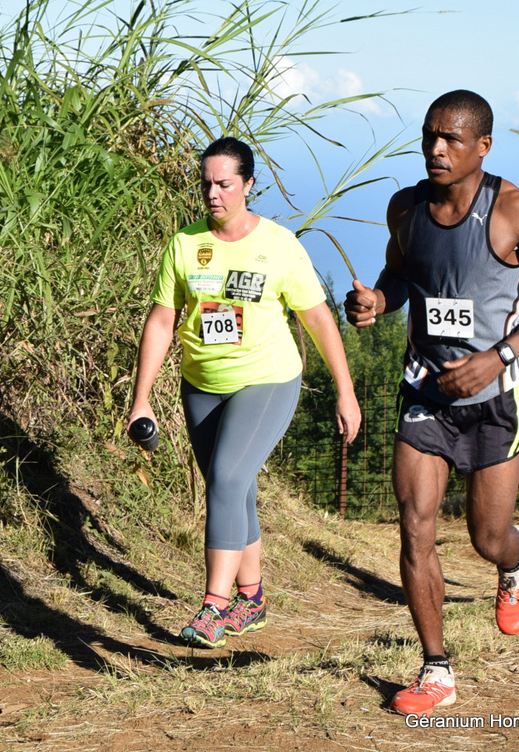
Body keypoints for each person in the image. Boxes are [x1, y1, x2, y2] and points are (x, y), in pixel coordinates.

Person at [345, 90, 519, 715]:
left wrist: (497, 357)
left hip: (496, 396)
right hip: (424, 391)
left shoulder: (516, 213)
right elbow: (400, 273)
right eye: (429, 136)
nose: (436, 149)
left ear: (484, 146)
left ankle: (516, 559)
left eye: (451, 138)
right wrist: (377, 303)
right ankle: (435, 670)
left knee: (486, 535)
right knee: (415, 525)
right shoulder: (406, 207)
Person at [129, 136, 361, 649]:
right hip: (202, 385)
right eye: (206, 183)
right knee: (238, 488)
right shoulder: (185, 244)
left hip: (267, 380)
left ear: (249, 185)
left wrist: (346, 390)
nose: (213, 194)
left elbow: (318, 317)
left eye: (224, 184)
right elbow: (163, 320)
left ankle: (213, 606)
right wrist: (141, 398)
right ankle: (251, 599)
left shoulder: (278, 244)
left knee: (227, 478)